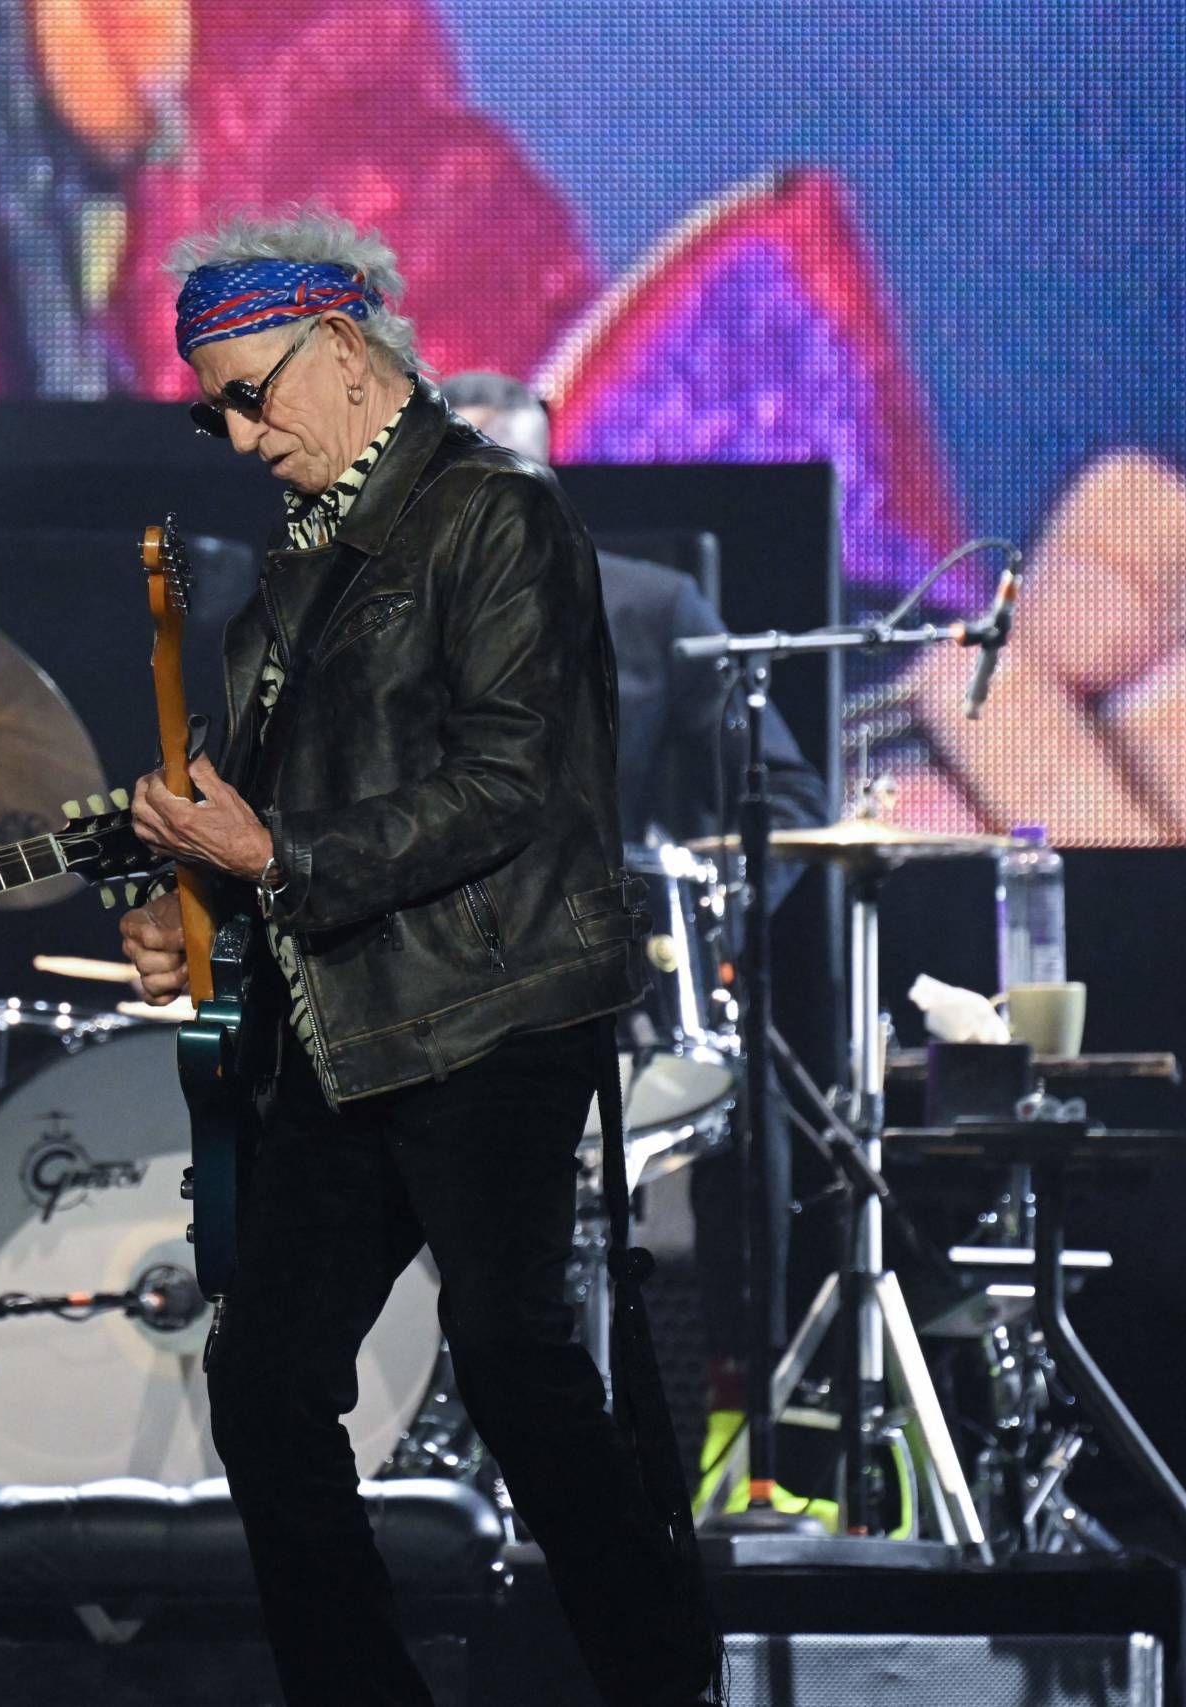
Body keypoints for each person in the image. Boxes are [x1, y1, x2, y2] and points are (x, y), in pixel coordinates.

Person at [119, 209, 715, 1707]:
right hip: (348, 1023)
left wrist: (278, 857)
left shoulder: (495, 515)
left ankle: (659, 1678)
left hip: (494, 1007)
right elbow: (270, 805)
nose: (237, 437)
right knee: (267, 1382)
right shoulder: (301, 565)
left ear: (341, 348)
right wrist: (194, 897)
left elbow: (513, 779)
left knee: (510, 1358)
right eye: (211, 412)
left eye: (249, 396)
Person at [440, 370, 829, 1502]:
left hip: (627, 981)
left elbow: (789, 800)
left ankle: (740, 1441)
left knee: (753, 1117)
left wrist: (706, 918)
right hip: (437, 980)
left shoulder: (653, 609)